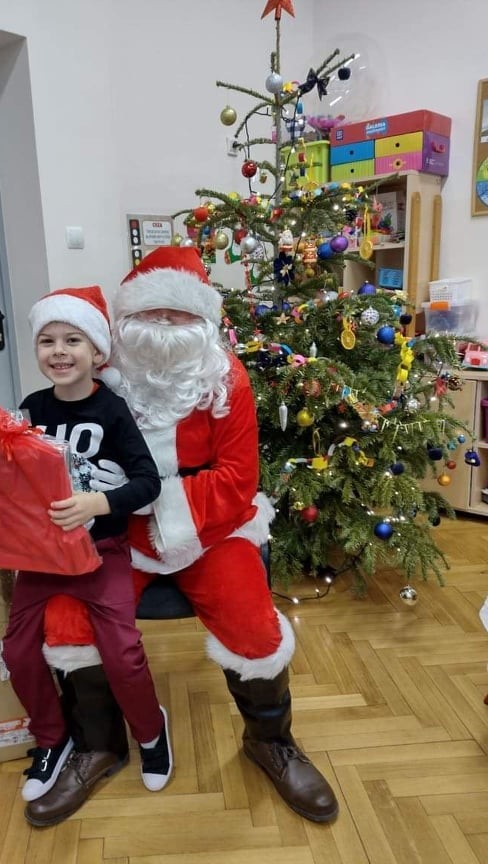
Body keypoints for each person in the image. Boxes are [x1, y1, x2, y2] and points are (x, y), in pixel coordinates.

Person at [27, 247, 339, 826]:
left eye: (180, 314)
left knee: (252, 624)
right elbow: (52, 458)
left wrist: (155, 508)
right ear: (126, 321)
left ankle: (271, 741)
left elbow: (239, 479)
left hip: (213, 529)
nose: (166, 325)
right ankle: (99, 745)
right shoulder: (98, 377)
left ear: (203, 321)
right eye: (153, 313)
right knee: (68, 621)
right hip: (114, 531)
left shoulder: (226, 380)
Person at [0, 285, 173, 815]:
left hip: (102, 552)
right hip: (40, 558)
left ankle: (151, 732)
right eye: (47, 341)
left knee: (122, 653)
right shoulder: (30, 409)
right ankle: (52, 738)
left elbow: (148, 482)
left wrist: (98, 503)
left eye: (72, 340)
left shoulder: (113, 411)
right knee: (17, 651)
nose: (59, 351)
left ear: (96, 351)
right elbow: (9, 481)